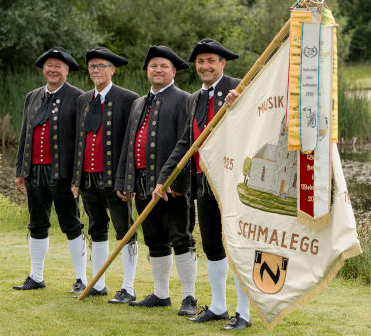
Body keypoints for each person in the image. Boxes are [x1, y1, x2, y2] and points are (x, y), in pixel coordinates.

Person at [153, 39, 251, 331]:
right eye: (200, 62)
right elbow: (187, 142)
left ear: (222, 63)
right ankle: (219, 307)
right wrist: (164, 178)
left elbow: (255, 125)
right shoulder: (194, 98)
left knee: (237, 246)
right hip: (203, 182)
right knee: (211, 245)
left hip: (234, 182)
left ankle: (243, 312)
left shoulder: (239, 88)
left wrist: (239, 107)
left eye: (211, 61)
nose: (205, 66)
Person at [115, 45, 197, 316]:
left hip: (173, 187)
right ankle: (161, 293)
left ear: (173, 71)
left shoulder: (185, 99)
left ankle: (189, 298)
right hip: (142, 186)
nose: (158, 70)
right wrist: (125, 181)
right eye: (153, 66)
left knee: (181, 238)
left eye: (163, 66)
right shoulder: (139, 103)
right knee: (154, 239)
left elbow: (189, 145)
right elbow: (129, 145)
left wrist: (178, 181)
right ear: (147, 71)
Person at [14, 47, 87, 293]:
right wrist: (20, 169)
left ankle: (82, 279)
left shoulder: (79, 97)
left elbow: (81, 141)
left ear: (67, 70)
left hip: (63, 174)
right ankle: (36, 276)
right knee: (37, 223)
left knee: (71, 224)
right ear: (44, 69)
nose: (52, 70)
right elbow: (25, 133)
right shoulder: (32, 96)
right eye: (49, 65)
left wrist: (78, 176)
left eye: (58, 66)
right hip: (35, 172)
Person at [71, 47, 139, 302]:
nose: (96, 71)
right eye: (92, 67)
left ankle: (129, 287)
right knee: (96, 228)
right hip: (88, 176)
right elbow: (81, 140)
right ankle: (97, 283)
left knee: (125, 230)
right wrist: (77, 178)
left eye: (101, 66)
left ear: (112, 70)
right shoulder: (83, 100)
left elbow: (131, 143)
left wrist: (128, 179)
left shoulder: (129, 98)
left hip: (116, 179)